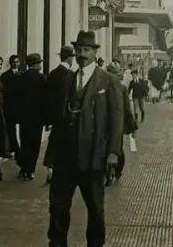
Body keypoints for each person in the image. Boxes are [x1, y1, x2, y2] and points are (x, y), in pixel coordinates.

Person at [47, 31, 123, 247]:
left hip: (94, 157)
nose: (82, 54)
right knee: (58, 206)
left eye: (86, 50)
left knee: (96, 208)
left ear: (94, 52)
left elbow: (116, 120)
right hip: (65, 156)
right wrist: (51, 158)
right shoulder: (67, 80)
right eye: (79, 50)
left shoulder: (107, 81)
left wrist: (113, 153)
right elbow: (59, 122)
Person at [44, 45, 75, 184]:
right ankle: (61, 169)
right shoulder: (70, 75)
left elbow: (48, 96)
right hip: (66, 116)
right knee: (65, 143)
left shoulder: (52, 73)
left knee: (53, 141)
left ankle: (50, 168)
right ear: (69, 58)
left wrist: (49, 118)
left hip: (53, 115)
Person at [18, 53, 48, 180]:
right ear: (36, 64)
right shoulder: (42, 79)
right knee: (34, 144)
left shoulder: (21, 77)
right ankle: (30, 170)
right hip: (38, 117)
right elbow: (46, 99)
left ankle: (24, 168)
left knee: (24, 142)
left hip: (24, 116)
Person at [106, 63, 137, 185]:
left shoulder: (102, 86)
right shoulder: (121, 88)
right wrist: (132, 126)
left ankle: (112, 171)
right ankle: (115, 171)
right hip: (116, 124)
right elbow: (127, 109)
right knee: (117, 147)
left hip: (108, 124)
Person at [0, 54, 22, 165]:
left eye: (17, 62)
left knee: (19, 129)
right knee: (11, 128)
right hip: (9, 106)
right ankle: (15, 149)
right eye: (14, 62)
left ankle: (17, 149)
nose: (16, 64)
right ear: (10, 63)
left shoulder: (22, 74)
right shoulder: (5, 76)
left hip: (19, 106)